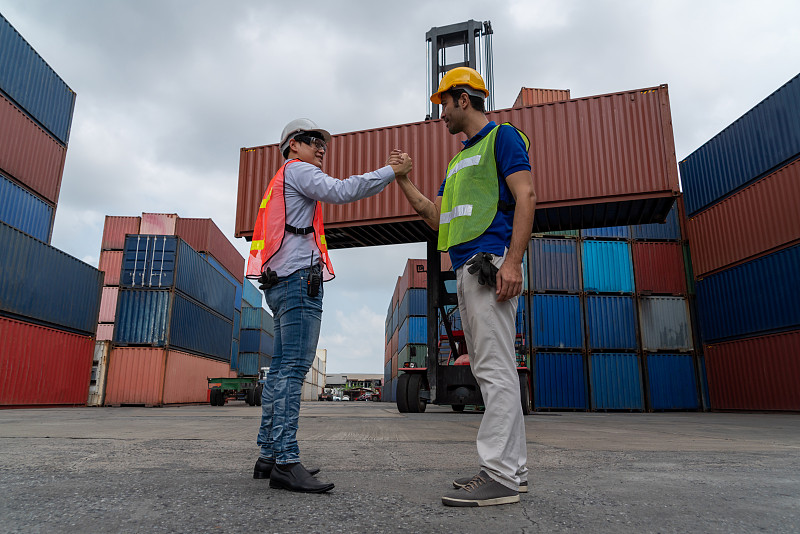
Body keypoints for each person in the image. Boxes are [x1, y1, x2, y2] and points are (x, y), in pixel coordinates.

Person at [394, 67, 536, 507]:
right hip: (467, 270)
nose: (440, 115)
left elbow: (527, 196)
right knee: (490, 370)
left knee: (494, 370)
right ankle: (514, 470)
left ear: (462, 98)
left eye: (442, 105)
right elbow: (437, 218)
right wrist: (403, 179)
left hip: (490, 266)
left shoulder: (503, 139)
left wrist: (513, 262)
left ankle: (499, 476)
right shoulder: (457, 162)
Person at [246, 118, 412, 493]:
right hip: (296, 284)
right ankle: (287, 462)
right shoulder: (298, 171)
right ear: (292, 146)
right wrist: (392, 171)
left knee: (278, 372)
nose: (321, 147)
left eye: (323, 142)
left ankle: (269, 455)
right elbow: (343, 190)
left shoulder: (279, 182)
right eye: (311, 140)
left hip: (279, 282)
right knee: (292, 370)